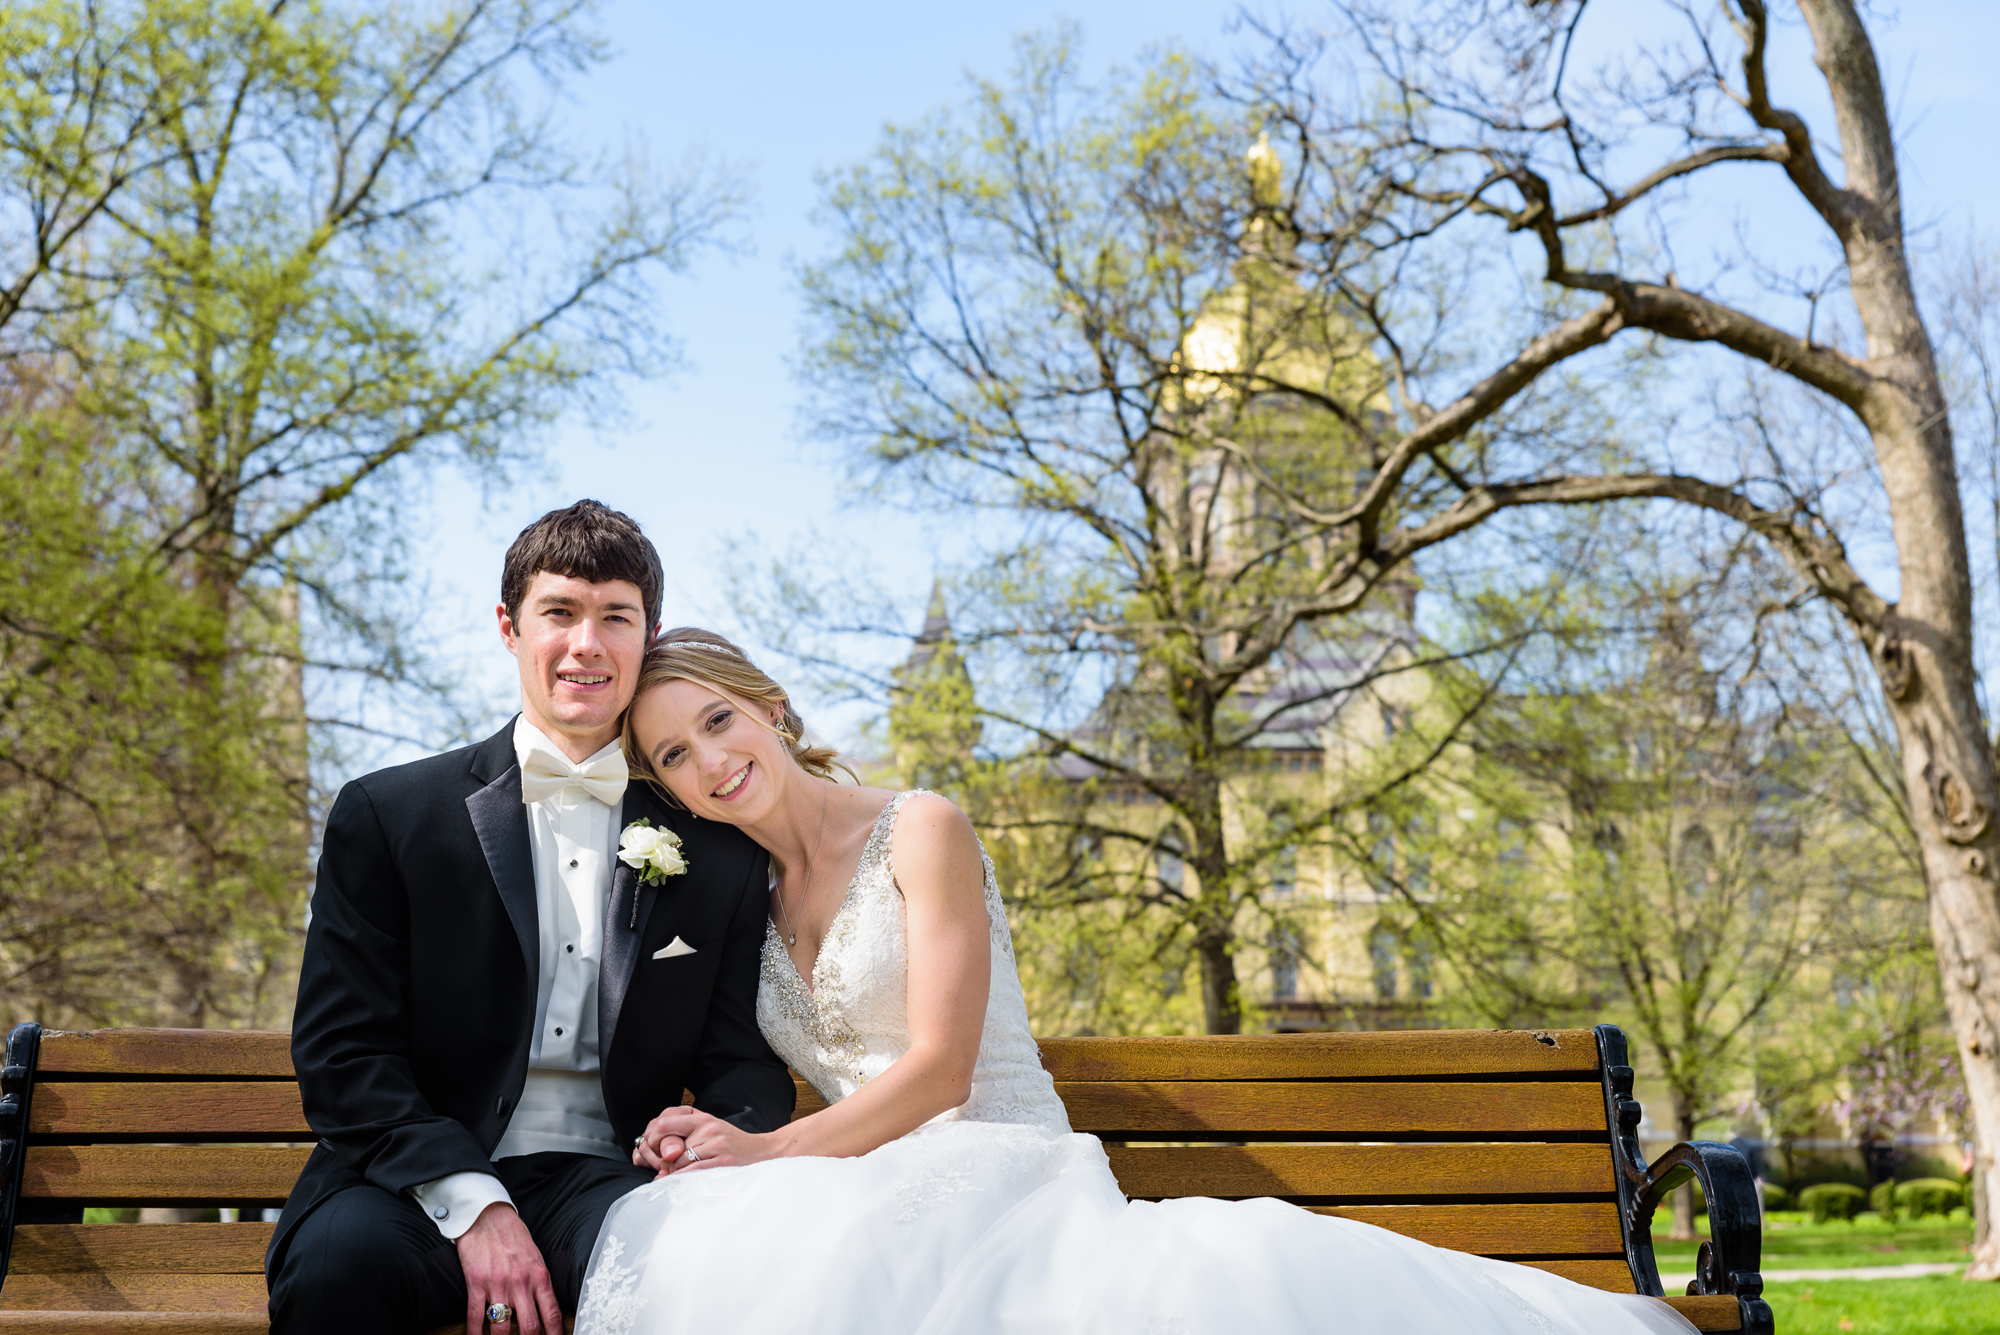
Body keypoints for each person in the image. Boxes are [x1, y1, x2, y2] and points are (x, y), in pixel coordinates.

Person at [574, 629, 1695, 1335]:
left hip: (994, 1167)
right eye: (672, 756)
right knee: (681, 1237)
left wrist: (769, 1154)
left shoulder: (920, 829)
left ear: (770, 708)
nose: (710, 760)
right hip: (867, 1183)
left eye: (717, 720)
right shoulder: (738, 902)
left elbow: (938, 1069)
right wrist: (702, 1133)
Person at [265, 504, 794, 1335]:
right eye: (560, 613)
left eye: (615, 616)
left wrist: (708, 1140)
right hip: (409, 1181)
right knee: (341, 1268)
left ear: (646, 638)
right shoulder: (390, 814)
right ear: (509, 626)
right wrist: (474, 1203)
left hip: (613, 1184)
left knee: (684, 1273)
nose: (587, 642)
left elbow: (743, 1066)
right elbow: (343, 1052)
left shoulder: (719, 849)